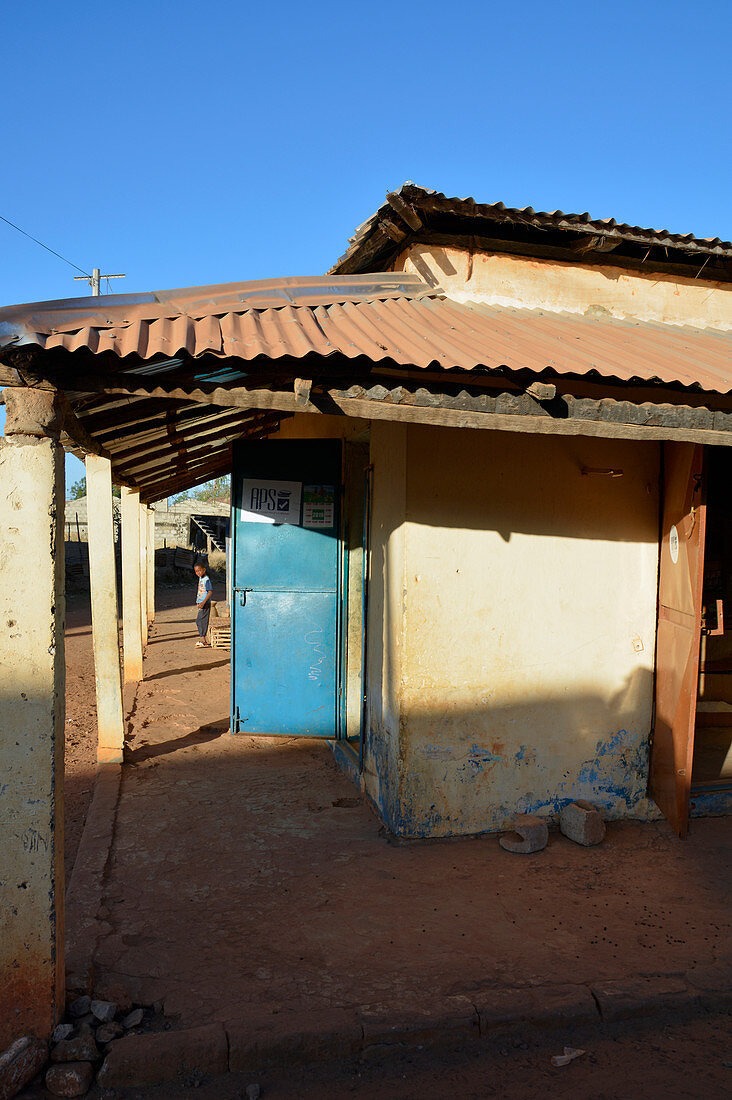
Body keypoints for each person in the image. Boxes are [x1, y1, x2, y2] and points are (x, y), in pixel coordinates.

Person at [193, 561, 213, 647]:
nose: (198, 573)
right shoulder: (201, 578)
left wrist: (203, 602)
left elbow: (209, 592)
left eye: (199, 571)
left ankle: (203, 639)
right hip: (201, 603)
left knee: (201, 620)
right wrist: (198, 602)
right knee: (200, 620)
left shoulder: (206, 579)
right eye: (196, 571)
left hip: (205, 604)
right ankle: (203, 638)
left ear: (204, 570)